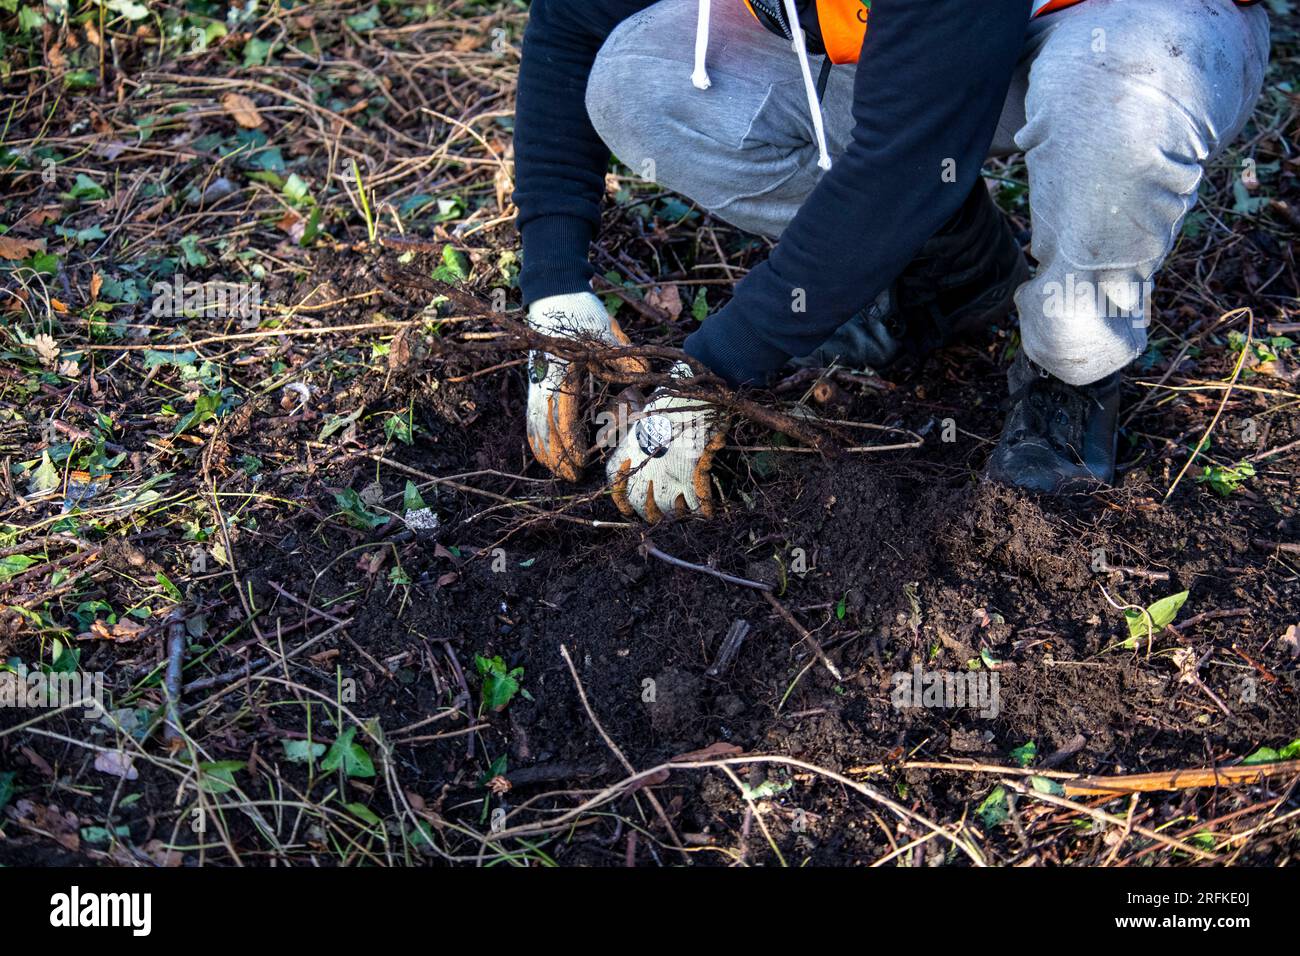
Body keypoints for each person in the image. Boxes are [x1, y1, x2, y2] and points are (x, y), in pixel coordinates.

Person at [513, 0, 1270, 520]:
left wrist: (713, 372)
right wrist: (554, 291)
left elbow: (905, 164)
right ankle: (953, 274)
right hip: (925, 43)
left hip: (1128, 30)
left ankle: (1071, 373)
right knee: (640, 78)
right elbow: (571, 21)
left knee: (1115, 101)